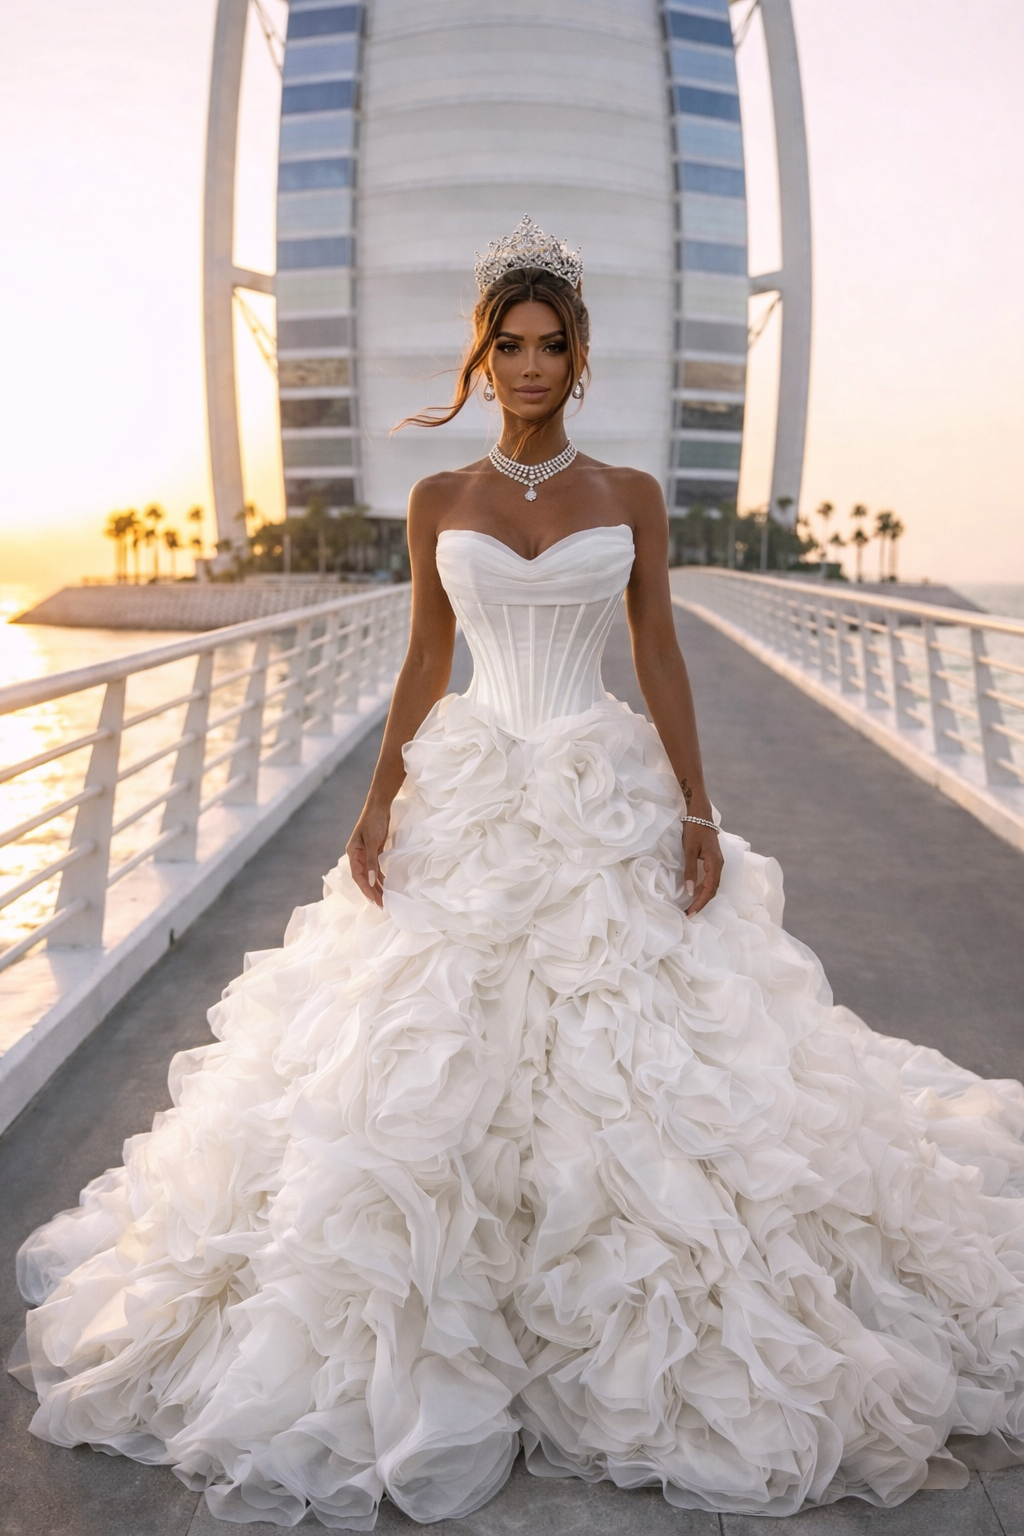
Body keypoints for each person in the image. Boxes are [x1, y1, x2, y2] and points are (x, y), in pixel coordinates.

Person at [11, 217, 1024, 1528]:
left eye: (551, 345)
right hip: (474, 788)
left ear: (579, 357)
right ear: (482, 359)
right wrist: (378, 800)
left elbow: (658, 652)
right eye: (510, 345)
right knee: (422, 1059)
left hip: (600, 788)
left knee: (643, 1060)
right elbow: (425, 659)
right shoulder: (440, 500)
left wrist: (696, 807)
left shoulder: (631, 494)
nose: (530, 365)